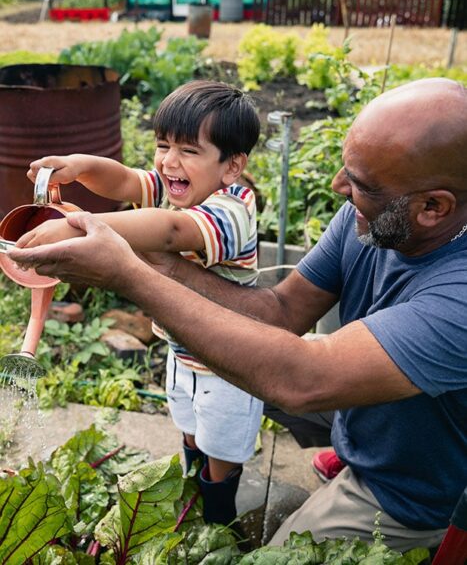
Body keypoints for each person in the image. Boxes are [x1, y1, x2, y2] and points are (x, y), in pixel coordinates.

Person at [10, 78, 467, 552]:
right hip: (335, 395)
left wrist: (118, 263)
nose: (338, 188)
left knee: (278, 554)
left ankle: (261, 499)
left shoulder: (458, 295)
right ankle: (348, 449)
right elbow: (282, 311)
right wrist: (83, 169)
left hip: (413, 491)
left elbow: (301, 378)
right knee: (205, 417)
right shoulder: (371, 212)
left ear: (433, 207)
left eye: (360, 184)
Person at [18, 80, 264, 528]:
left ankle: (219, 516)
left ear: (232, 166)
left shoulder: (232, 211)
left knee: (222, 445)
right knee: (189, 425)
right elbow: (127, 180)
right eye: (163, 145)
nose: (170, 161)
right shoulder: (177, 187)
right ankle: (193, 486)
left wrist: (79, 227)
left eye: (189, 151)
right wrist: (80, 166)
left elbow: (172, 231)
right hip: (182, 349)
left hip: (232, 361)